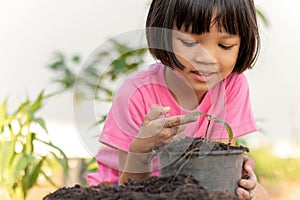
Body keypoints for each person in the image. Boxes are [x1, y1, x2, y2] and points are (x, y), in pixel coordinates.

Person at [87, 0, 269, 199]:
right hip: (120, 187)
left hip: (189, 185)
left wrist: (237, 173)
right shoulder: (136, 92)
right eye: (189, 43)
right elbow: (130, 187)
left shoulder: (232, 85)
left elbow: (212, 167)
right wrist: (143, 146)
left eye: (225, 46)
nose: (207, 58)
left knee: (260, 194)